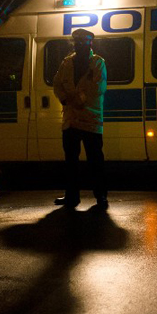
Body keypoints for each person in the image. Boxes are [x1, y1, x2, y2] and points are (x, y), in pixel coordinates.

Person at [52, 28, 108, 209]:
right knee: (70, 162)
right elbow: (57, 84)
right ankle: (71, 196)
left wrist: (76, 100)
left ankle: (101, 196)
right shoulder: (67, 63)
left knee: (95, 162)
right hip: (71, 121)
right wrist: (65, 99)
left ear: (90, 43)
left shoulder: (98, 63)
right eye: (77, 42)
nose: (80, 45)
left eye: (83, 42)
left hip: (90, 120)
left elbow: (97, 88)